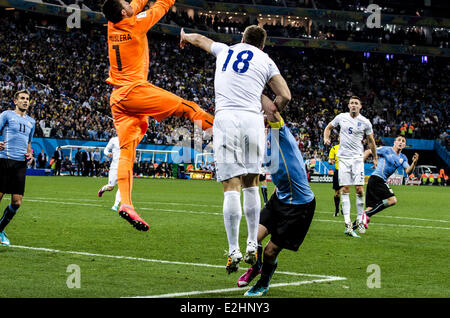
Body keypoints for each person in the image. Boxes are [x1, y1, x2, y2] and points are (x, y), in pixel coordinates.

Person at [180, 25, 291, 273]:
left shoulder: (226, 50)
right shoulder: (266, 60)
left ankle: (233, 250)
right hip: (252, 120)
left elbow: (200, 38)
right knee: (252, 181)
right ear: (262, 45)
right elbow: (285, 95)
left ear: (242, 38)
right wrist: (271, 112)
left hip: (226, 118)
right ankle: (252, 243)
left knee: (231, 186)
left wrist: (185, 36)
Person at [101, 0, 214, 232]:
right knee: (188, 107)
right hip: (134, 91)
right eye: (126, 3)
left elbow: (137, 3)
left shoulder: (113, 25)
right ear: (124, 12)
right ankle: (222, 131)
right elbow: (162, 4)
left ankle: (127, 204)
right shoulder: (136, 24)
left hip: (118, 99)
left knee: (126, 153)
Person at [237, 102, 315, 297]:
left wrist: (255, 87)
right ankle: (256, 267)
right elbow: (278, 172)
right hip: (278, 200)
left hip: (299, 207)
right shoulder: (263, 142)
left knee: (271, 251)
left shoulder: (282, 134)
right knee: (252, 242)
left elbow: (272, 110)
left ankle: (263, 283)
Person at [323, 96, 378, 237]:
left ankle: (359, 221)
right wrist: (326, 138)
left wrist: (375, 157)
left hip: (358, 159)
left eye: (356, 103)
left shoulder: (365, 122)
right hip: (343, 159)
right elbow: (328, 128)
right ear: (348, 106)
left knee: (359, 190)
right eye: (351, 103)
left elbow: (371, 141)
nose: (353, 105)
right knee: (345, 189)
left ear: (360, 106)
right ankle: (348, 224)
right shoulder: (341, 117)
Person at [358, 136, 419, 230]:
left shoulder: (403, 158)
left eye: (403, 141)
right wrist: (359, 165)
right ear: (394, 142)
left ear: (404, 145)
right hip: (377, 179)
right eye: (399, 140)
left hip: (377, 181)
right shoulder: (386, 150)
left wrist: (414, 163)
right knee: (392, 200)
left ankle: (351, 228)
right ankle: (366, 215)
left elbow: (408, 171)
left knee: (371, 208)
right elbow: (368, 151)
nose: (401, 142)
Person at [0, 90, 35, 246]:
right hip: (5, 160)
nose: (25, 101)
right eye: (22, 98)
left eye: (27, 99)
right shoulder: (6, 115)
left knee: (17, 202)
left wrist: (30, 153)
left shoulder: (31, 122)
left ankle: (0, 230)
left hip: (20, 164)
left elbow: (29, 142)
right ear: (15, 101)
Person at [98, 136, 121, 211]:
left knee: (122, 187)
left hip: (124, 167)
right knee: (110, 187)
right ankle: (103, 189)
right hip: (114, 167)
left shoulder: (129, 140)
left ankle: (115, 205)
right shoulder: (114, 140)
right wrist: (108, 153)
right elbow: (106, 149)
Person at [328, 139, 341, 217]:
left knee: (345, 190)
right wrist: (330, 162)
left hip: (346, 172)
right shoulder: (334, 148)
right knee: (337, 193)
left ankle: (344, 206)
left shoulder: (349, 148)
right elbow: (330, 160)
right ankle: (336, 210)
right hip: (338, 172)